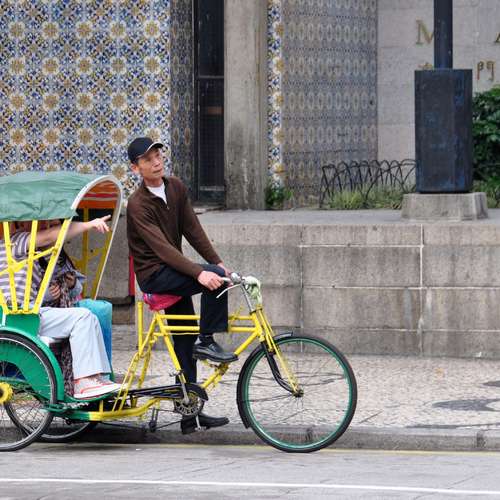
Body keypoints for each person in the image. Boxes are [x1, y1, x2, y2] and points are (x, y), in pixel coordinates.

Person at [126, 136, 234, 434]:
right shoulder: (137, 204)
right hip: (155, 274)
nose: (156, 162)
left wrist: (216, 261)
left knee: (184, 340)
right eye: (147, 159)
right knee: (212, 280)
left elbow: (192, 229)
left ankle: (190, 415)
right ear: (136, 168)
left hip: (173, 269)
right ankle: (207, 339)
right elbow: (162, 249)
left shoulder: (175, 187)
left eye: (158, 155)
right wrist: (200, 273)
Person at [0, 217, 121, 399]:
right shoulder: (16, 242)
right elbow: (49, 236)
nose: (46, 227)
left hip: (29, 314)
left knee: (89, 316)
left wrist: (67, 285)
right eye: (41, 222)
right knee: (82, 317)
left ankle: (98, 378)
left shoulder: (38, 253)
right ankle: (83, 382)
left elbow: (61, 281)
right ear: (23, 223)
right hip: (18, 317)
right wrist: (88, 224)